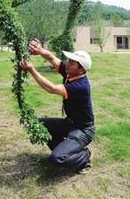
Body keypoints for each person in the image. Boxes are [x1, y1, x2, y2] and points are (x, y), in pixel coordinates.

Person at [19, 39, 95, 174]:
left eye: (72, 62)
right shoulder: (71, 72)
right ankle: (65, 148)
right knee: (39, 124)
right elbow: (52, 58)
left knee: (56, 158)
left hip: (83, 130)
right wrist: (41, 51)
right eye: (69, 60)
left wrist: (31, 69)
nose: (68, 64)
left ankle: (85, 156)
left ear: (81, 69)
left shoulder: (81, 86)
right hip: (70, 123)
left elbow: (52, 88)